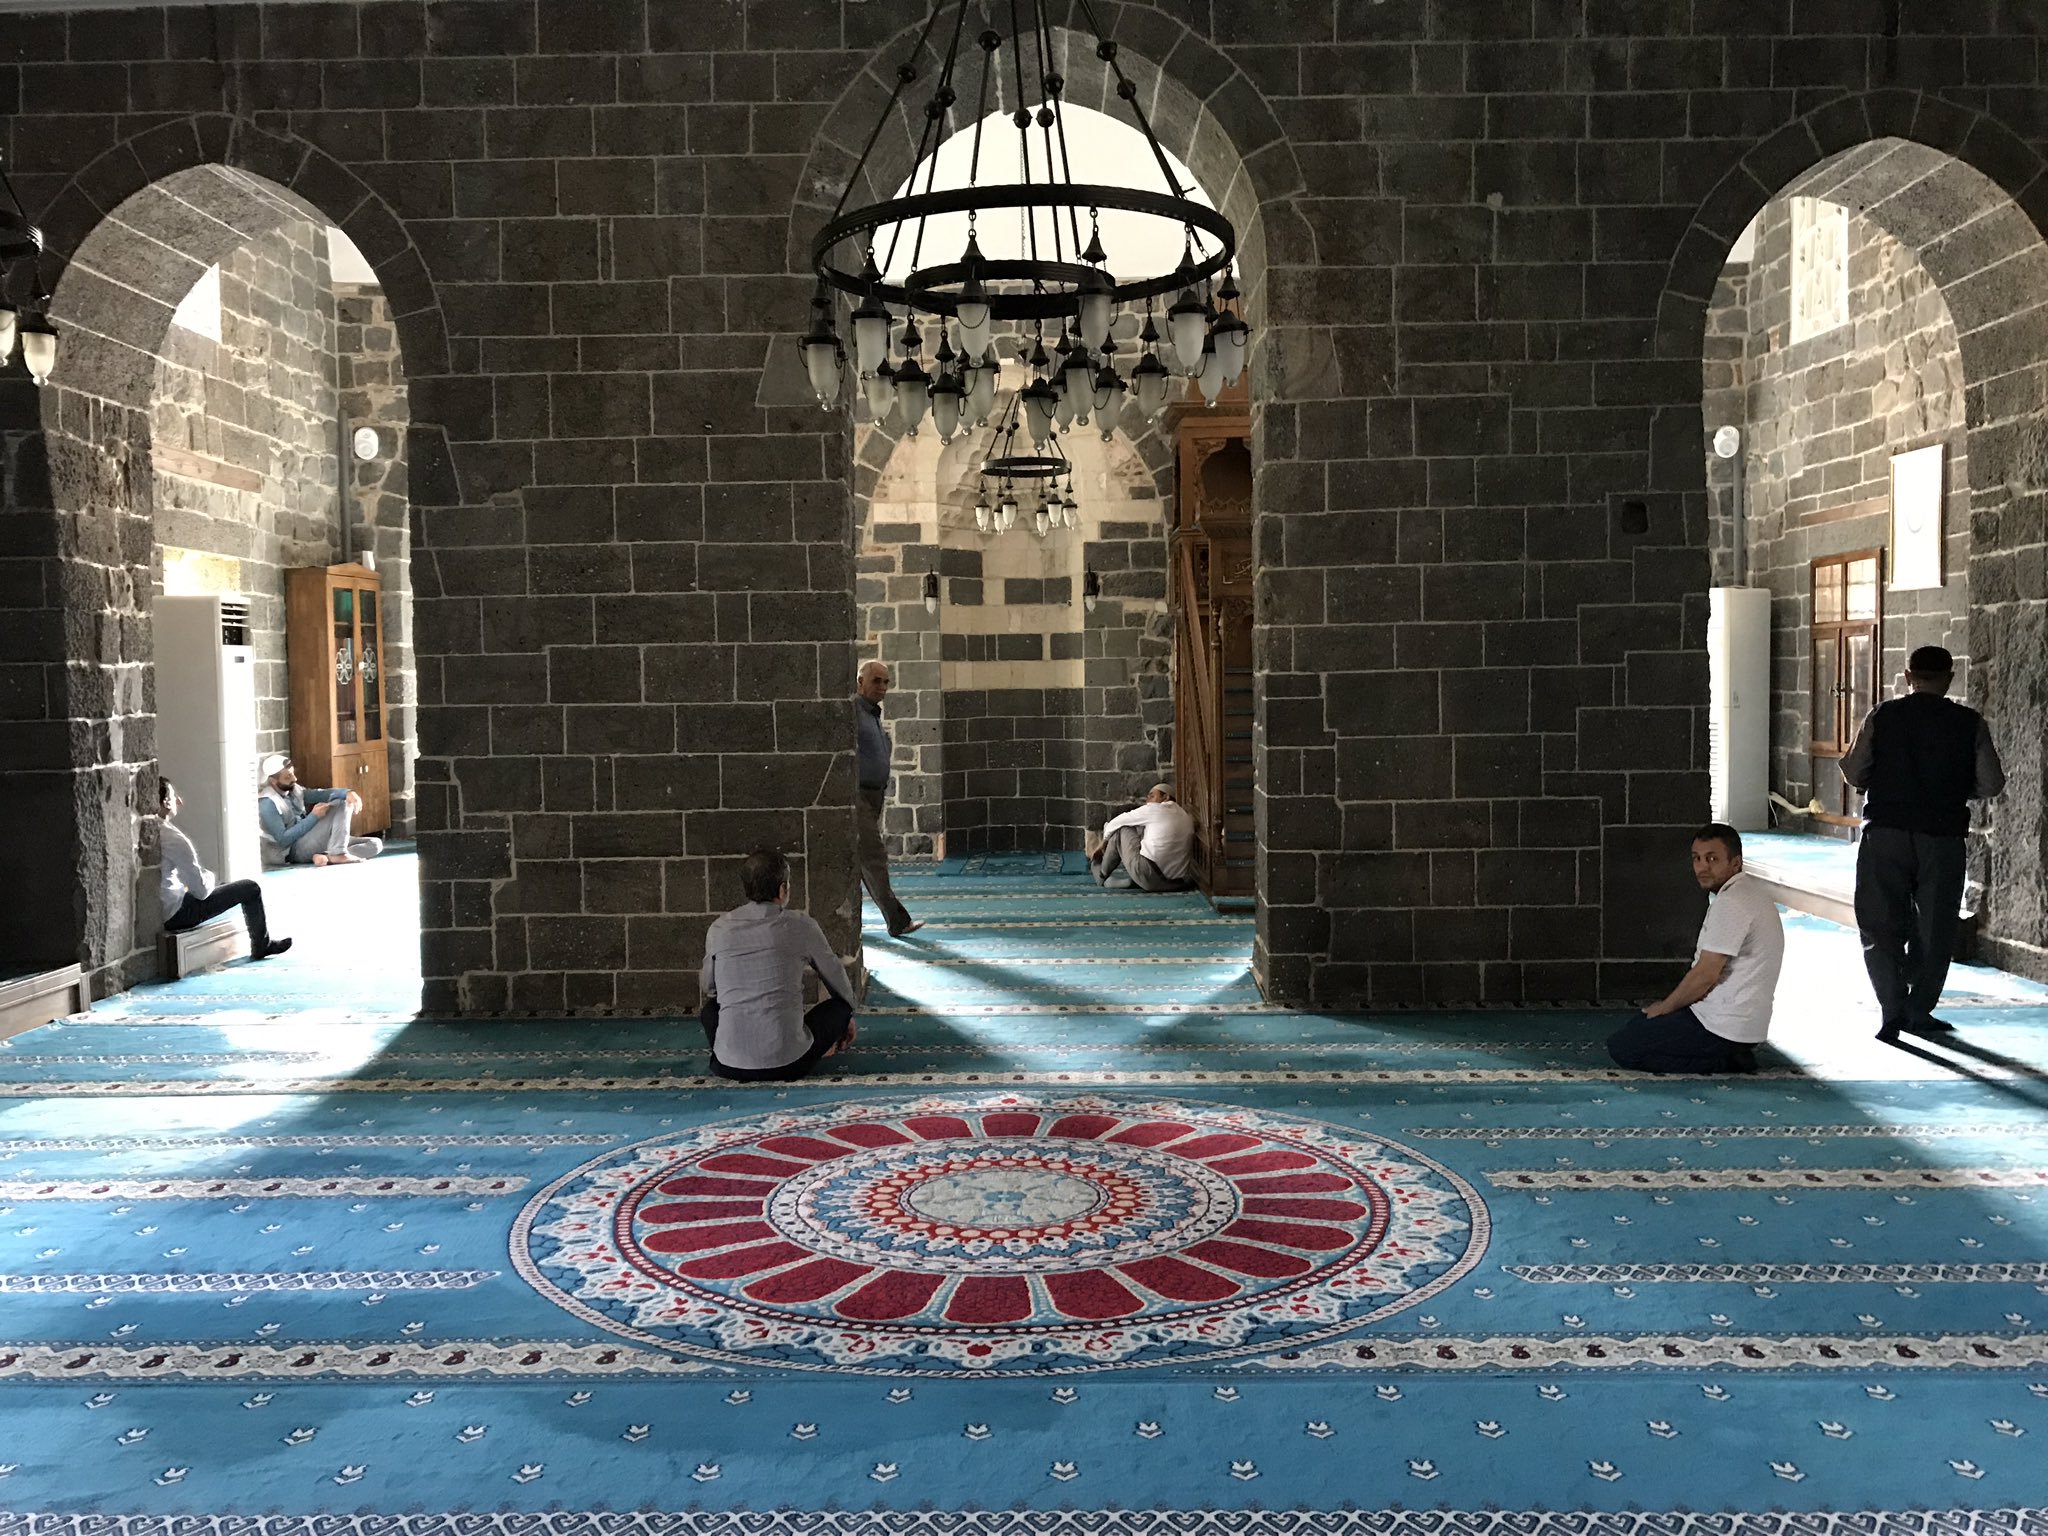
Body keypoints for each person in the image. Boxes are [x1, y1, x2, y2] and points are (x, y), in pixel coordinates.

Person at [1840, 644, 2006, 1043]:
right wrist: (1955, 788)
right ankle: (1918, 1010)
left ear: (1908, 677)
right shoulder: (1969, 723)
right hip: (1942, 835)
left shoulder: (1882, 715)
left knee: (1879, 922)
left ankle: (1890, 1008)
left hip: (1885, 832)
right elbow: (1991, 783)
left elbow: (1854, 770)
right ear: (1950, 678)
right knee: (1935, 926)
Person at [1608, 823, 1783, 1074]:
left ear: (1735, 863)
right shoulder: (1747, 892)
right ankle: (1730, 1053)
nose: (1702, 867)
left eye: (1712, 859)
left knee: (1623, 1048)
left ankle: (1728, 1061)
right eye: (1697, 858)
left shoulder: (1732, 903)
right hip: (1738, 1022)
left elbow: (1705, 975)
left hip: (1721, 1026)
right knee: (1640, 1025)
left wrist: (1666, 1007)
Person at [700, 849, 858, 1081]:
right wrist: (847, 1016)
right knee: (840, 1007)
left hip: (727, 1065)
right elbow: (835, 977)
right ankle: (813, 1048)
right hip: (790, 1064)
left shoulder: (718, 929)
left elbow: (709, 987)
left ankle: (736, 1052)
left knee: (710, 1009)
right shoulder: (801, 925)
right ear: (783, 889)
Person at [159, 777, 292, 960]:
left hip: (158, 909)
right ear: (166, 802)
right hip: (176, 913)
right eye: (175, 797)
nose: (179, 801)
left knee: (221, 888)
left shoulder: (142, 830)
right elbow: (201, 892)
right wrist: (210, 877)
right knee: (249, 888)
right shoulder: (174, 839)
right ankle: (262, 945)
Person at [854, 660, 921, 937]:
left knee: (860, 860)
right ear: (860, 682)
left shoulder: (871, 714)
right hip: (857, 796)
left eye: (886, 682)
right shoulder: (853, 711)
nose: (882, 687)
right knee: (873, 857)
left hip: (873, 796)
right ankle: (897, 920)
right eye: (876, 681)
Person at [257, 753, 384, 867]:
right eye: (288, 777)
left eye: (293, 773)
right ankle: (338, 853)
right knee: (342, 804)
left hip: (313, 840)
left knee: (375, 844)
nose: (294, 779)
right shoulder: (267, 803)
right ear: (273, 781)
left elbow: (320, 794)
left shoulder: (293, 789)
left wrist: (348, 793)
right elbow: (283, 841)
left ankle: (327, 857)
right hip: (293, 850)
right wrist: (314, 817)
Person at [1091, 784, 1196, 892]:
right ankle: (1134, 880)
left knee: (1121, 829)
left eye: (1152, 796)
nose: (1148, 799)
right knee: (1142, 830)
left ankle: (1101, 876)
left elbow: (1116, 822)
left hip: (1149, 876)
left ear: (1166, 797)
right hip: (1174, 884)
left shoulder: (1155, 809)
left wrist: (1103, 843)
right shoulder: (1185, 816)